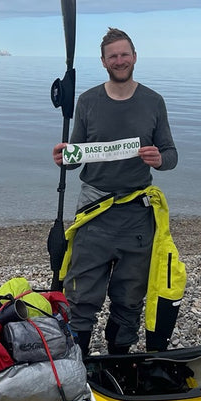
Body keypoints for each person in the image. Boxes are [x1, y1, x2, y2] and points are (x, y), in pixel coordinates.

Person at [52, 27, 178, 355]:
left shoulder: (153, 101)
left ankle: (119, 362)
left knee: (130, 299)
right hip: (94, 213)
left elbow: (171, 155)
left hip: (137, 215)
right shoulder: (88, 101)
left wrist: (159, 159)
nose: (119, 61)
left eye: (124, 54)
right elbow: (74, 159)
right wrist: (63, 158)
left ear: (134, 57)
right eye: (113, 56)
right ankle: (76, 364)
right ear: (104, 62)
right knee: (81, 297)